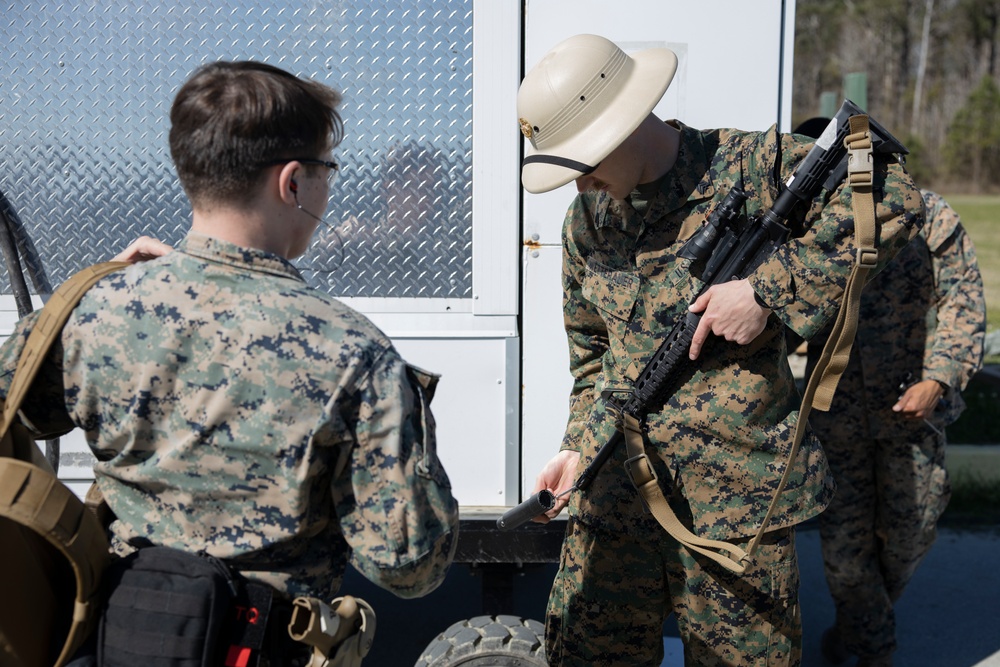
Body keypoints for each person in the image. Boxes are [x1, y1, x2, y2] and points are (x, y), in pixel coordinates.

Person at [0, 61, 459, 662]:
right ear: (293, 182)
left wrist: (94, 297)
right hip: (262, 647)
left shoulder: (92, 313)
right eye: (328, 170)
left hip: (118, 642)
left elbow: (16, 413)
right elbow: (409, 565)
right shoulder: (353, 350)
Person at [516, 34, 924, 666]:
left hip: (734, 512)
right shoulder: (587, 222)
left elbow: (894, 198)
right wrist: (577, 447)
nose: (583, 182)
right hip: (616, 500)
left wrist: (767, 290)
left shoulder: (750, 166)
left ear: (625, 124)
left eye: (586, 160)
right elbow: (595, 358)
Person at [793, 117, 986, 667]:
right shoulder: (812, 225)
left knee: (907, 537)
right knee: (846, 558)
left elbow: (962, 301)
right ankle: (875, 650)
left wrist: (939, 376)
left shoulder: (928, 215)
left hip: (910, 413)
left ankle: (857, 628)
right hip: (838, 419)